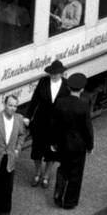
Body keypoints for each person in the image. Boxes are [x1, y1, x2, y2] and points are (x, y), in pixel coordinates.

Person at [51, 72, 94, 210]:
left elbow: (54, 124)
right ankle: (69, 201)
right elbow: (87, 128)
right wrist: (90, 145)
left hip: (63, 142)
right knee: (76, 173)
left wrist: (54, 142)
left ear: (69, 87)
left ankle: (58, 195)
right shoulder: (83, 106)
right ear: (81, 89)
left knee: (63, 169)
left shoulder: (60, 103)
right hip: (78, 145)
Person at [25, 60, 69, 189]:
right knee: (37, 149)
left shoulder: (66, 86)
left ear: (61, 73)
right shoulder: (43, 82)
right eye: (51, 73)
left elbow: (68, 105)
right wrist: (28, 116)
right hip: (40, 121)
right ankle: (37, 173)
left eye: (56, 74)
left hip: (57, 124)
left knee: (52, 151)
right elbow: (34, 100)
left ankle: (46, 176)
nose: (53, 76)